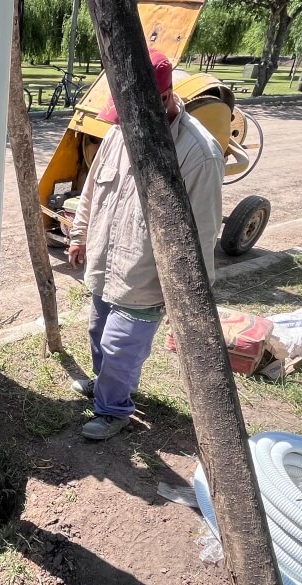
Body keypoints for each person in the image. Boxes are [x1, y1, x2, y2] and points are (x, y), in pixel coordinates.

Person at [67, 50, 224, 441]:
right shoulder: (121, 131)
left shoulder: (198, 155)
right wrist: (79, 234)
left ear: (164, 99)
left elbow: (203, 234)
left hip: (148, 278)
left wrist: (190, 300)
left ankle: (113, 409)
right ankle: (107, 387)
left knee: (121, 349)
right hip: (107, 263)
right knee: (97, 331)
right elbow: (91, 188)